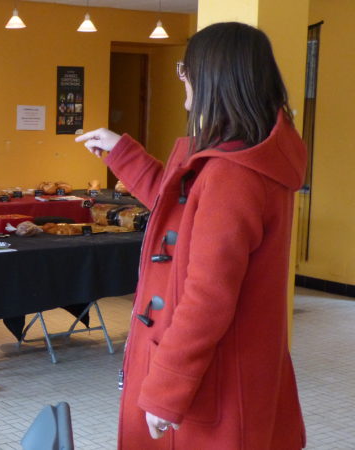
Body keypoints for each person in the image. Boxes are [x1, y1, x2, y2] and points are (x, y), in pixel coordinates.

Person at [76, 22, 306, 448]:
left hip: (213, 383)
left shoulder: (231, 176)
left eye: (187, 68)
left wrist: (166, 392)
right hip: (241, 369)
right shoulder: (251, 161)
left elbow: (208, 298)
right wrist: (123, 153)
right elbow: (185, 218)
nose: (181, 77)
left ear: (213, 79)